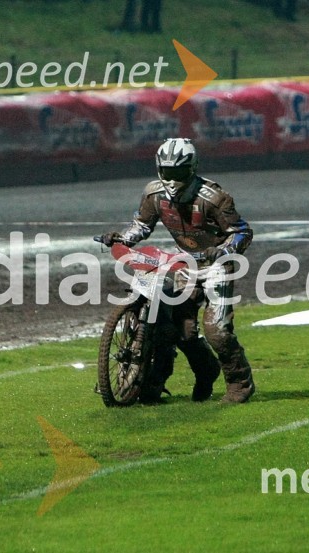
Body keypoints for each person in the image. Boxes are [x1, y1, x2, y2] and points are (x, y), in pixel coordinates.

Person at [99, 138, 256, 404]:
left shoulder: (215, 197)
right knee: (181, 331)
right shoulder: (153, 193)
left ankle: (240, 384)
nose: (172, 180)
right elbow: (142, 224)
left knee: (217, 331)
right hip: (183, 265)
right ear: (160, 169)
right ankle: (207, 370)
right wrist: (123, 238)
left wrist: (224, 251)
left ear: (192, 168)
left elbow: (242, 232)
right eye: (167, 172)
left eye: (178, 172)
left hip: (216, 267)